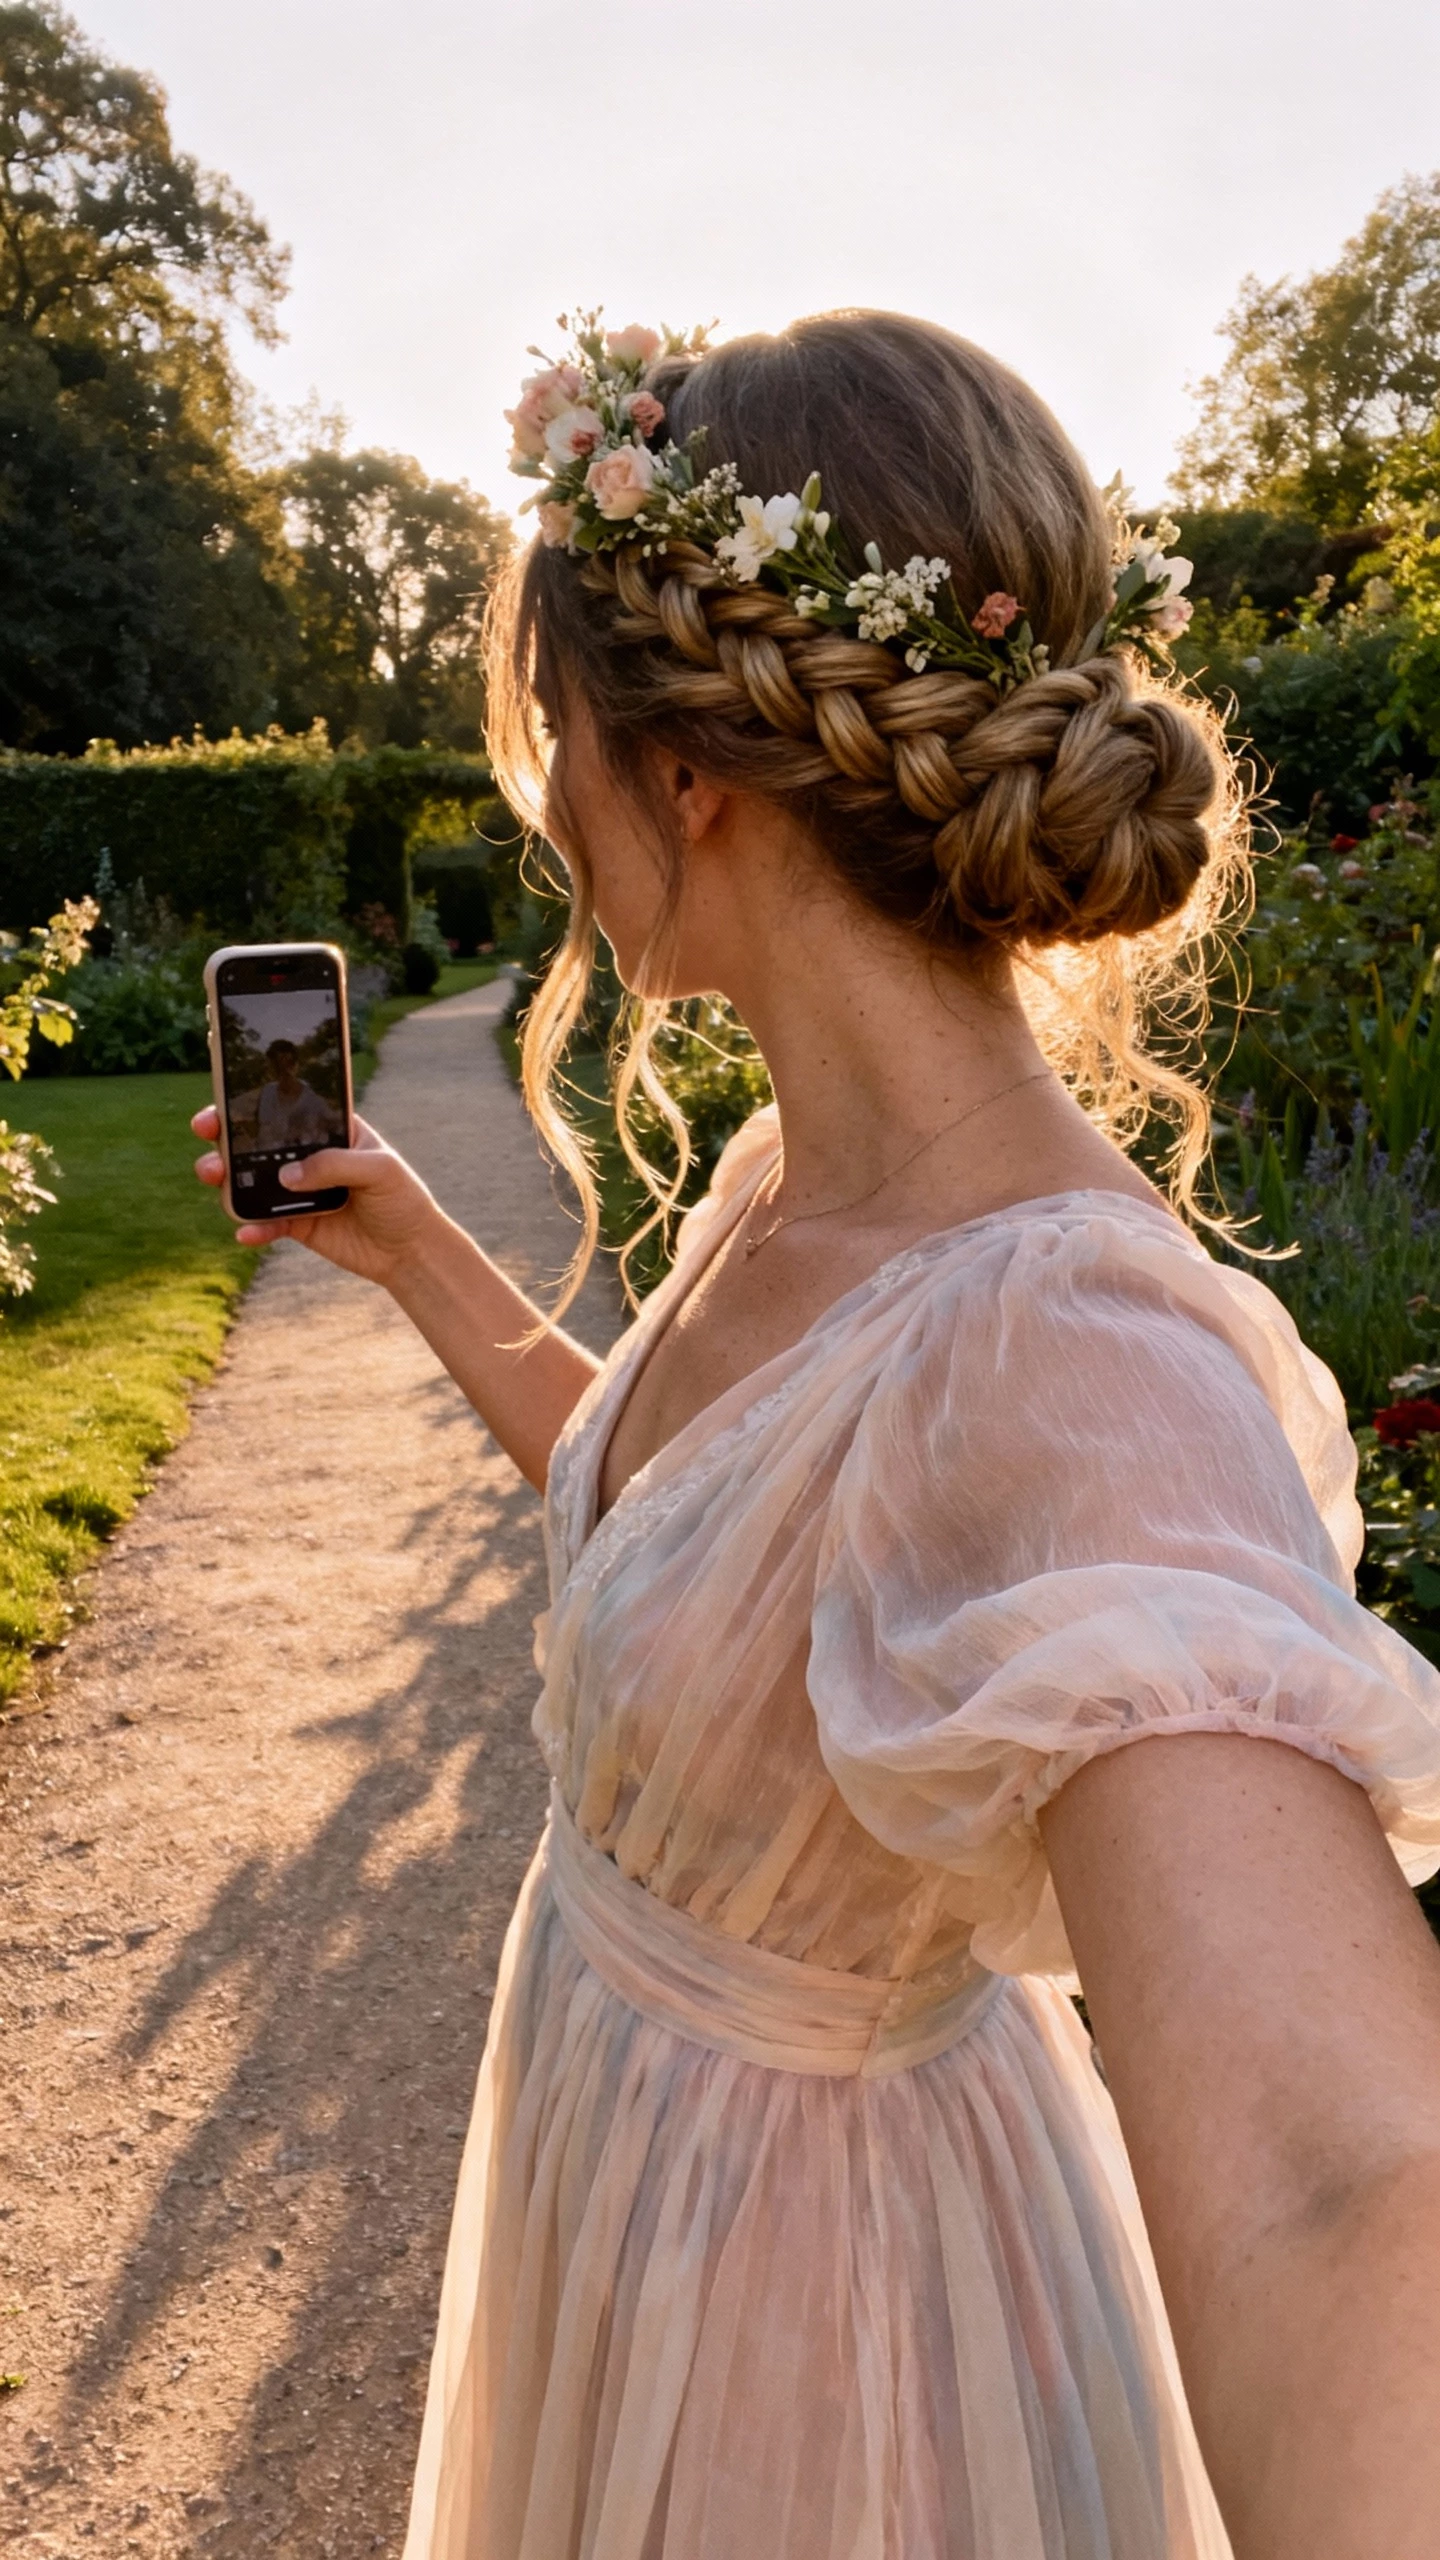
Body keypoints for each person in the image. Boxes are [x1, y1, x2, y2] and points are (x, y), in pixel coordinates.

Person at [193, 312, 1440, 2560]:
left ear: (689, 774)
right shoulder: (796, 1175)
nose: (541, 801)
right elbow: (719, 1562)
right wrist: (423, 1260)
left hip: (828, 2348)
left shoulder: (1077, 1351)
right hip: (626, 2168)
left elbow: (1345, 2180)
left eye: (555, 733)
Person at [231, 1036, 341, 1153]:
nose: (284, 1071)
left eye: (288, 1064)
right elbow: (256, 1125)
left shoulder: (315, 1103)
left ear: (296, 1066)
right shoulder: (267, 1092)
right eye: (277, 1065)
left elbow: (335, 1124)